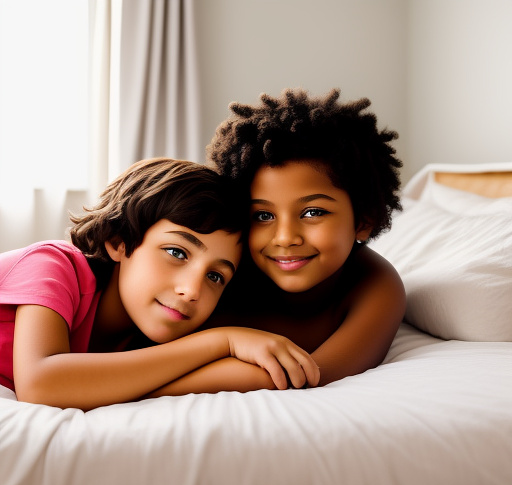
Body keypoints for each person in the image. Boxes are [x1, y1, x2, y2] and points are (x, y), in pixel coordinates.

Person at [0, 157, 320, 410]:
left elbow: (262, 376)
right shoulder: (51, 265)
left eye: (215, 276)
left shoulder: (148, 344)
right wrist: (222, 340)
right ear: (118, 240)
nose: (192, 291)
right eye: (176, 252)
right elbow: (41, 384)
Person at [151, 88, 406, 394]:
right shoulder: (219, 268)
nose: (285, 238)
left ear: (363, 221)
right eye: (263, 216)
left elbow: (309, 375)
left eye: (313, 212)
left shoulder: (376, 285)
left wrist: (142, 390)